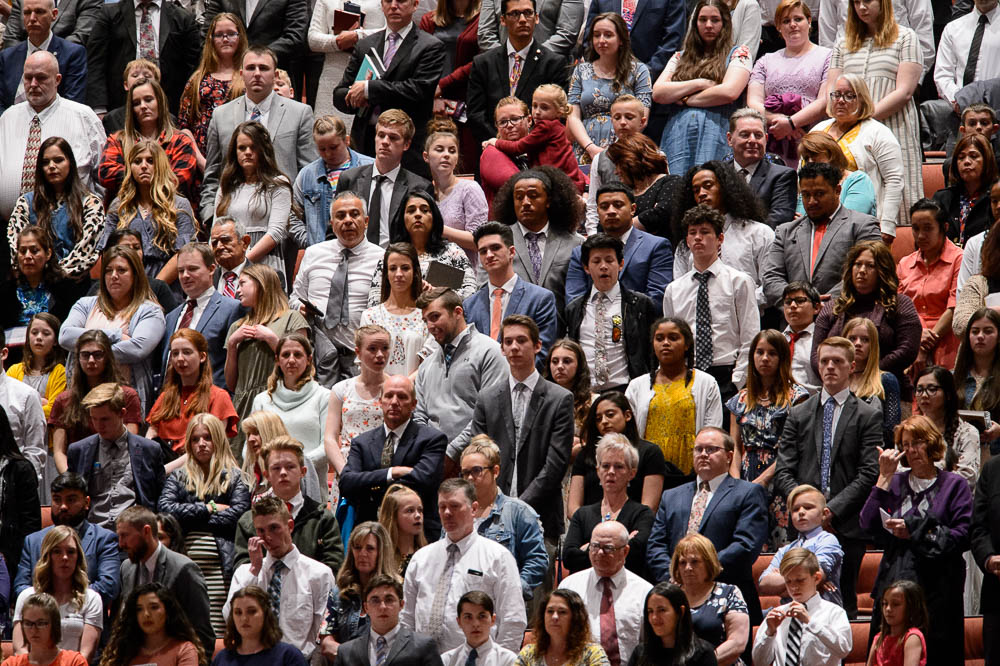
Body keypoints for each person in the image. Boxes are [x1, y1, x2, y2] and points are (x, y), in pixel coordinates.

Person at [774, 336, 882, 620]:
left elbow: (869, 472)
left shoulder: (868, 415)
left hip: (846, 524)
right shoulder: (798, 413)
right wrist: (805, 508)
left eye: (838, 361)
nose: (830, 366)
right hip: (801, 529)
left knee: (843, 606)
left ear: (852, 366)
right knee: (796, 603)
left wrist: (829, 510)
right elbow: (784, 470)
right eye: (824, 361)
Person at [449, 315, 574, 543]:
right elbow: (477, 455)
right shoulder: (487, 398)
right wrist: (498, 506)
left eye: (521, 340)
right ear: (502, 349)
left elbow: (555, 465)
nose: (514, 347)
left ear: (537, 346)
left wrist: (516, 508)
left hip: (541, 516)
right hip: (490, 516)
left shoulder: (560, 399)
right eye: (508, 342)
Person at [860, 415, 972, 663]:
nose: (911, 450)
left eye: (918, 442)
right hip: (896, 581)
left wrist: (913, 529)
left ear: (932, 443)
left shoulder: (954, 485)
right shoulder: (896, 482)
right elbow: (867, 524)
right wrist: (884, 478)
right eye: (905, 444)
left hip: (937, 589)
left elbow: (961, 537)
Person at [647, 429, 768, 626]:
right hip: (676, 597)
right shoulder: (671, 495)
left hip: (727, 595)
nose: (703, 454)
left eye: (711, 449)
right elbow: (655, 545)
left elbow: (746, 545)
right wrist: (676, 576)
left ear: (729, 456)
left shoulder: (748, 493)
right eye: (698, 449)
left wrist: (699, 571)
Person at [827, 0, 924, 241]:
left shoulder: (906, 37)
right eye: (856, 2)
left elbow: (904, 91)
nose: (861, 7)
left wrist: (863, 118)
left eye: (867, 1)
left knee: (897, 196)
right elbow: (832, 90)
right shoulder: (842, 43)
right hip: (850, 133)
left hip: (894, 125)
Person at [401, 478, 526, 652]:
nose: (447, 513)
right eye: (442, 507)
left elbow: (513, 619)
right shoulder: (421, 558)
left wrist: (499, 661)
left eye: (454, 506)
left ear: (474, 509)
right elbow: (406, 617)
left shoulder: (498, 557)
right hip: (424, 659)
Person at [200, 46, 317, 224]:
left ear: (276, 75)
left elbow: (309, 171)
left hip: (285, 220)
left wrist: (299, 217)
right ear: (241, 74)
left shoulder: (300, 113)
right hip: (231, 219)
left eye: (263, 68)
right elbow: (212, 173)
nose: (256, 73)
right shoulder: (220, 115)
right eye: (250, 68)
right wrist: (210, 215)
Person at [157, 414, 250, 636]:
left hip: (221, 566)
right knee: (186, 632)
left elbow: (239, 514)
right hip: (183, 564)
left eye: (207, 438)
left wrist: (189, 516)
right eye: (195, 439)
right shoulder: (178, 476)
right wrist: (211, 508)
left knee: (218, 630)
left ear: (218, 439)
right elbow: (166, 510)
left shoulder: (236, 477)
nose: (201, 444)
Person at [332, 0, 446, 176]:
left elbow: (418, 90)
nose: (394, 6)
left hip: (407, 146)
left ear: (415, 5)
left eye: (401, 1)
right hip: (366, 141)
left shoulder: (430, 46)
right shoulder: (365, 45)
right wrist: (354, 96)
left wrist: (369, 89)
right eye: (388, 1)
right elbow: (339, 94)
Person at [291, 192, 390, 387]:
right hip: (317, 355)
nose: (348, 221)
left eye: (354, 214)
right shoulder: (313, 254)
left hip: (360, 356)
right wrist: (301, 309)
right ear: (331, 222)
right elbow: (294, 298)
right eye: (341, 216)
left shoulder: (383, 258)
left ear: (366, 220)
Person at [662, 204, 758, 401]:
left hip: (727, 371)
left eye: (705, 232)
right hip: (688, 374)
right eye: (692, 233)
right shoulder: (674, 290)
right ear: (687, 240)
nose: (698, 237)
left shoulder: (739, 281)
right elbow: (670, 339)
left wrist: (738, 380)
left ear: (720, 239)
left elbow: (750, 335)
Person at [0, 51, 104, 231]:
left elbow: (103, 177)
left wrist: (91, 221)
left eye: (41, 78)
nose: (33, 84)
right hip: (9, 230)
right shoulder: (8, 117)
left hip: (70, 231)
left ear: (57, 79)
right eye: (28, 77)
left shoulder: (83, 116)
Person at [726, 330, 809, 550]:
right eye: (759, 352)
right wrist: (736, 481)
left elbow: (796, 447)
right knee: (749, 541)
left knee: (782, 544)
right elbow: (734, 444)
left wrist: (764, 479)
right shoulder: (740, 399)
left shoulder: (797, 397)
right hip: (747, 470)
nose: (765, 358)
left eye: (772, 353)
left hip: (782, 471)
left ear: (782, 358)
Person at [224, 496, 334, 662]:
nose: (267, 537)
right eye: (261, 531)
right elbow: (230, 617)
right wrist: (254, 571)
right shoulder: (245, 573)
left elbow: (322, 633)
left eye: (274, 528)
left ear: (289, 526)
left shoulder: (319, 574)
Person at [651, 0, 753, 176]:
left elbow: (729, 92)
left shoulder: (739, 53)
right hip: (678, 133)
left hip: (718, 130)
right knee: (677, 188)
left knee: (712, 185)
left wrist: (684, 98)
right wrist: (699, 83)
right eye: (702, 19)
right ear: (695, 22)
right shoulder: (679, 56)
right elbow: (659, 92)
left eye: (715, 20)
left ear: (725, 23)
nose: (708, 25)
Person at [762, 162, 881, 309]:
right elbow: (771, 278)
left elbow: (868, 273)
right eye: (806, 195)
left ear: (837, 190)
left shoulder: (864, 225)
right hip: (794, 322)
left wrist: (825, 305)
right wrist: (799, 303)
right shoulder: (785, 231)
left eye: (819, 194)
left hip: (846, 319)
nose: (812, 201)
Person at [340, 374, 447, 537]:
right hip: (370, 534)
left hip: (418, 535)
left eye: (402, 397)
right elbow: (347, 483)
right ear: (380, 402)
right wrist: (392, 473)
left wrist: (367, 484)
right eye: (389, 396)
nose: (394, 402)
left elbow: (424, 480)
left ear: (413, 405)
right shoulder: (362, 442)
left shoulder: (432, 439)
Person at [811, 240, 922, 388]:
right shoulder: (833, 307)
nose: (862, 270)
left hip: (885, 387)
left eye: (870, 266)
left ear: (883, 270)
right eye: (858, 264)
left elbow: (907, 350)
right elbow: (815, 354)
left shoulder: (900, 304)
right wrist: (842, 377)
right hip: (838, 388)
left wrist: (866, 375)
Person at [812, 74, 905, 241]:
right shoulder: (818, 129)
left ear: (862, 99)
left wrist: (887, 225)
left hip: (862, 221)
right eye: (837, 95)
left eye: (849, 96)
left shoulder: (879, 132)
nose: (841, 100)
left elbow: (894, 180)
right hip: (816, 218)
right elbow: (801, 172)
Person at [412, 287, 508, 448]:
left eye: (435, 317)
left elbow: (490, 413)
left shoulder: (490, 352)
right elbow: (419, 417)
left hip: (479, 459)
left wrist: (452, 452)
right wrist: (431, 452)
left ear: (457, 312)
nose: (430, 326)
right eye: (425, 320)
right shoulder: (426, 365)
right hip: (433, 458)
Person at [115, 505, 215, 657]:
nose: (121, 544)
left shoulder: (184, 569)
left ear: (146, 531)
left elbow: (202, 633)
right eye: (119, 536)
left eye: (125, 536)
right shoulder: (126, 568)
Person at [233, 436, 344, 572]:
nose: (283, 473)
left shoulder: (322, 518)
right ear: (266, 475)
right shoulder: (249, 521)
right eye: (276, 468)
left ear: (303, 472)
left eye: (290, 467)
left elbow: (333, 567)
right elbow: (241, 570)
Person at [668, 163, 773, 307]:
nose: (701, 194)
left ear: (725, 188)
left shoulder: (759, 233)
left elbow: (769, 287)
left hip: (750, 318)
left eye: (708, 185)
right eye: (696, 190)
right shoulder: (687, 243)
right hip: (697, 321)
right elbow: (679, 291)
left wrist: (731, 305)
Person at [626, 318, 723, 474]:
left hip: (691, 470)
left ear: (687, 344)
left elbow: (713, 431)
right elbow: (629, 435)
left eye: (673, 338)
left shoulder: (706, 383)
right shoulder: (637, 386)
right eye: (659, 338)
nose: (665, 343)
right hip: (648, 470)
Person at [465, 4, 570, 145]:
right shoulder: (483, 63)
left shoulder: (553, 63)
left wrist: (526, 144)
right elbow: (476, 114)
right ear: (502, 20)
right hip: (495, 148)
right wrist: (500, 143)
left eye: (528, 13)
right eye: (514, 14)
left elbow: (558, 114)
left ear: (536, 18)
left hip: (538, 150)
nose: (522, 19)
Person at [225, 264, 309, 440]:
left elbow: (305, 368)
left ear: (261, 283)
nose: (237, 291)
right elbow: (232, 384)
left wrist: (272, 340)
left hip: (280, 400)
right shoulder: (237, 326)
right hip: (244, 405)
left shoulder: (292, 318)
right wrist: (232, 344)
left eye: (242, 284)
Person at [99, 139, 197, 289]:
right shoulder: (118, 206)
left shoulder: (179, 205)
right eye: (137, 161)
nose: (143, 166)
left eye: (150, 161)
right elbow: (107, 252)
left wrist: (155, 287)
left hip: (167, 287)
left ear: (161, 165)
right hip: (126, 286)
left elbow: (183, 253)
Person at [14, 472, 121, 609]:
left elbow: (108, 587)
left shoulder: (103, 539)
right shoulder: (33, 541)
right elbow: (20, 587)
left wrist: (65, 601)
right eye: (57, 499)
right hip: (41, 618)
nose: (63, 506)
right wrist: (49, 605)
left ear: (86, 502)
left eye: (71, 500)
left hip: (86, 618)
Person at [492, 166, 586, 321]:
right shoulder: (497, 242)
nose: (526, 202)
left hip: (560, 335)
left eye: (533, 195)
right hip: (511, 335)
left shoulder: (575, 243)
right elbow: (484, 290)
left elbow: (580, 298)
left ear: (548, 200)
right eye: (519, 197)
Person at [746, 0, 832, 167]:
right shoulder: (766, 60)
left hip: (814, 141)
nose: (792, 25)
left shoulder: (828, 56)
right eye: (786, 21)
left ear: (809, 21)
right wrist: (780, 120)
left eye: (798, 19)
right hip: (774, 139)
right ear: (778, 27)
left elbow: (824, 101)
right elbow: (753, 102)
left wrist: (792, 123)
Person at [566, 234, 657, 392]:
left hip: (626, 391)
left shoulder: (640, 305)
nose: (603, 266)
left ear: (621, 264)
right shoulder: (574, 309)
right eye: (596, 261)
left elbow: (650, 353)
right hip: (586, 393)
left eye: (609, 260)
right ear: (586, 267)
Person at [458, 436, 547, 598]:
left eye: (476, 471)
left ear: (496, 471)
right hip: (463, 604)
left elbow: (536, 561)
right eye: (465, 473)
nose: (470, 478)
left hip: (504, 604)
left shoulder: (519, 512)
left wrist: (511, 592)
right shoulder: (457, 513)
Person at [66, 383, 165, 527]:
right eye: (94, 419)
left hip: (135, 532)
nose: (99, 426)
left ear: (122, 413)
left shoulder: (149, 450)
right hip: (93, 532)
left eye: (105, 419)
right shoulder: (78, 451)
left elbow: (159, 499)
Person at [5, 136, 103, 281]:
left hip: (73, 285)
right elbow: (16, 247)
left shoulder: (91, 203)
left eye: (58, 160)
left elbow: (86, 253)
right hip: (33, 283)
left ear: (70, 162)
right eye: (45, 162)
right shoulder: (25, 203)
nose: (51, 166)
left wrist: (54, 275)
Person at [334, 112, 435, 252]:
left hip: (397, 264)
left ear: (406, 144)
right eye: (381, 135)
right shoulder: (349, 179)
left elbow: (424, 238)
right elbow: (333, 229)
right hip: (355, 261)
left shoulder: (419, 187)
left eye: (393, 137)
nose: (385, 142)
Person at [463, 222, 558, 367]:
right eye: (483, 251)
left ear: (512, 252)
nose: (489, 255)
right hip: (480, 386)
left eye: (495, 248)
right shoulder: (469, 305)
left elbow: (542, 354)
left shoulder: (540, 299)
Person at [559, 521, 652, 666]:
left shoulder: (644, 592)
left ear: (625, 551)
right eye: (595, 546)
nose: (600, 553)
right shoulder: (569, 587)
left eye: (608, 548)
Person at [49, 331, 143, 473]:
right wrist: (72, 480)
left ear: (107, 358)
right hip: (77, 473)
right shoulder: (64, 400)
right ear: (78, 358)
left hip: (118, 472)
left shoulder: (127, 396)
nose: (91, 361)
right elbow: (59, 452)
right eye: (85, 355)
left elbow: (130, 445)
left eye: (98, 355)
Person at [97, 78, 200, 207]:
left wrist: (137, 176)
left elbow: (180, 180)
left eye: (148, 99)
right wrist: (155, 175)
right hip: (126, 213)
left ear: (159, 101)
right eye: (136, 103)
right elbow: (106, 174)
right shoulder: (118, 140)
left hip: (170, 211)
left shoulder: (180, 141)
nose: (143, 106)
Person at [250, 333, 331, 497]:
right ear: (277, 360)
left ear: (308, 359)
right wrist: (274, 468)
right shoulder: (262, 400)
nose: (291, 360)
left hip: (310, 486)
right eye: (285, 355)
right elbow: (248, 448)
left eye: (298, 355)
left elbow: (327, 447)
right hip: (269, 486)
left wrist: (294, 467)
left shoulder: (324, 397)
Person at [569, 392, 674, 517]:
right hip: (589, 530)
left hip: (633, 528)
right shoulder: (585, 454)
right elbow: (573, 507)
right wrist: (589, 526)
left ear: (627, 415)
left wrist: (616, 528)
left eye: (610, 415)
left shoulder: (650, 453)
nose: (604, 421)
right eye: (598, 419)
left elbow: (649, 507)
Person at [84, 0, 200, 113]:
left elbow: (193, 68)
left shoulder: (183, 18)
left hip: (169, 109)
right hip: (119, 108)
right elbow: (95, 62)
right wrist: (99, 109)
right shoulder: (110, 14)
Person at [569, 182, 673, 307]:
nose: (611, 211)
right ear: (597, 212)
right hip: (593, 323)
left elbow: (656, 299)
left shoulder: (656, 246)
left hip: (639, 323)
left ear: (633, 209)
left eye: (618, 205)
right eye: (604, 206)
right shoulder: (580, 253)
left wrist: (616, 317)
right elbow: (574, 302)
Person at [562, 434, 654, 576]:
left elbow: (637, 554)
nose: (611, 472)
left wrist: (587, 548)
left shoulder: (642, 514)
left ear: (632, 473)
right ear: (598, 471)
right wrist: (622, 544)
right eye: (605, 466)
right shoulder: (582, 514)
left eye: (618, 466)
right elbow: (569, 557)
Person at [213, 121, 295, 277]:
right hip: (227, 264)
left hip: (265, 263)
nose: (248, 152)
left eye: (253, 147)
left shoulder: (278, 184)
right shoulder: (226, 186)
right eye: (242, 148)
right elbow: (215, 230)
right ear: (234, 152)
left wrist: (242, 262)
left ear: (263, 150)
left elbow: (276, 233)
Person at [567, 13, 651, 163]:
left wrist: (616, 150)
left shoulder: (639, 70)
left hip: (625, 148)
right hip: (585, 149)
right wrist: (591, 148)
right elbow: (573, 116)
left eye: (608, 35)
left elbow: (642, 116)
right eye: (596, 35)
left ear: (621, 39)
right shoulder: (581, 70)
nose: (601, 40)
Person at [366, 192, 477, 306]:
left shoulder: (453, 252)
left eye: (424, 210)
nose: (418, 214)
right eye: (411, 210)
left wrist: (437, 296)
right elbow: (374, 301)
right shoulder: (391, 256)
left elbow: (471, 295)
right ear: (402, 218)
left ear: (434, 217)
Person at [148, 330, 239, 465]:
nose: (180, 358)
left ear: (202, 356)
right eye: (175, 353)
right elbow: (150, 435)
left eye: (187, 352)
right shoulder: (166, 397)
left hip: (199, 468)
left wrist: (166, 471)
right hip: (164, 464)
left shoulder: (218, 396)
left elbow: (212, 445)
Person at [11, 527, 102, 660]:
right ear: (47, 555)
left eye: (71, 552)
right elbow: (20, 649)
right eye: (57, 551)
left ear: (78, 557)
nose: (64, 557)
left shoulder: (92, 599)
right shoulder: (27, 597)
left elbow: (85, 654)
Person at [751, 548, 853, 665]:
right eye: (788, 581)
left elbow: (844, 650)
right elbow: (759, 662)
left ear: (816, 578)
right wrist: (770, 633)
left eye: (800, 580)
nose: (794, 587)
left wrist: (810, 622)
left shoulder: (834, 612)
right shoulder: (777, 614)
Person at [162, 243, 242, 389]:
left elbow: (236, 367)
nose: (185, 276)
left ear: (211, 269)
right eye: (181, 271)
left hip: (210, 403)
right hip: (171, 402)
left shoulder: (231, 309)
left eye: (192, 269)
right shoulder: (171, 317)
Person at [318, 522, 398, 662]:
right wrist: (354, 658)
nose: (362, 554)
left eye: (370, 548)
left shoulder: (396, 592)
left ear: (381, 552)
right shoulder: (339, 592)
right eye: (357, 547)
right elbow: (326, 642)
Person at [897, 199, 962, 372]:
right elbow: (900, 308)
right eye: (915, 229)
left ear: (945, 227)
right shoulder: (905, 263)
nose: (920, 236)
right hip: (911, 337)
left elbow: (955, 308)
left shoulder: (959, 259)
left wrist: (924, 345)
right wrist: (917, 337)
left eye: (927, 228)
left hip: (947, 338)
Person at [486, 84, 588, 193]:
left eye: (515, 119)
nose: (537, 112)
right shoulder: (558, 128)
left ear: (559, 111)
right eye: (534, 106)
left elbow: (518, 147)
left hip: (558, 188)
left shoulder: (546, 127)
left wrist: (496, 142)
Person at [177, 13, 247, 166]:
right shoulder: (197, 79)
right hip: (201, 160)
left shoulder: (249, 77)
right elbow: (184, 127)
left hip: (241, 160)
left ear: (240, 37)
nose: (225, 39)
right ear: (211, 39)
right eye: (219, 35)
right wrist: (202, 163)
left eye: (231, 34)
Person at [294, 116, 375, 247]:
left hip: (363, 248)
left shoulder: (369, 167)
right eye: (322, 149)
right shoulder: (307, 174)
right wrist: (309, 241)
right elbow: (292, 214)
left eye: (333, 147)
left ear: (346, 140)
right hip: (322, 251)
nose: (328, 154)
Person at [757, 484, 845, 606]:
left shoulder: (827, 540)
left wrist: (782, 582)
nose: (801, 512)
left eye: (808, 508)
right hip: (789, 614)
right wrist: (805, 581)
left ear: (824, 514)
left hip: (822, 614)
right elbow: (763, 584)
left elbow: (816, 574)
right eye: (795, 509)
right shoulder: (786, 550)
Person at [668, 534, 749, 666]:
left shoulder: (729, 593)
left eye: (694, 562)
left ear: (708, 563)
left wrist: (704, 662)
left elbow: (737, 643)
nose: (688, 568)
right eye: (682, 562)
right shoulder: (671, 596)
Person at [334, 574, 444, 666]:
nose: (382, 607)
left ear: (401, 605)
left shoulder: (423, 647)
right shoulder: (346, 652)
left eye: (389, 600)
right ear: (366, 607)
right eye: (375, 600)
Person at [324, 325, 389, 480]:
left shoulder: (396, 388)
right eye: (372, 349)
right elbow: (330, 437)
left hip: (383, 468)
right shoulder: (341, 389)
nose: (380, 355)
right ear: (358, 352)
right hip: (349, 466)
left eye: (385, 348)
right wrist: (345, 471)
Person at [1, 229, 85, 345]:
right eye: (22, 251)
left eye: (34, 251)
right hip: (12, 355)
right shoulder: (6, 290)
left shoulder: (65, 288)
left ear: (48, 254)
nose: (28, 256)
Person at [424, 126, 488, 266]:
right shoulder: (423, 192)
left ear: (457, 158)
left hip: (463, 274)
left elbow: (480, 240)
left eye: (452, 151)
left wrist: (440, 229)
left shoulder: (469, 189)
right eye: (439, 150)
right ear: (426, 156)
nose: (446, 155)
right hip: (428, 272)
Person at [99, 583, 206, 666]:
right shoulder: (123, 650)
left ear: (167, 611)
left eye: (154, 607)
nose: (146, 614)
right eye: (139, 609)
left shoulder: (184, 650)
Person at [724, 108, 798, 226]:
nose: (753, 140)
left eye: (758, 135)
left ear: (766, 139)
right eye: (745, 135)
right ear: (729, 139)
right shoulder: (717, 174)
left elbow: (779, 221)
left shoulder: (782, 176)